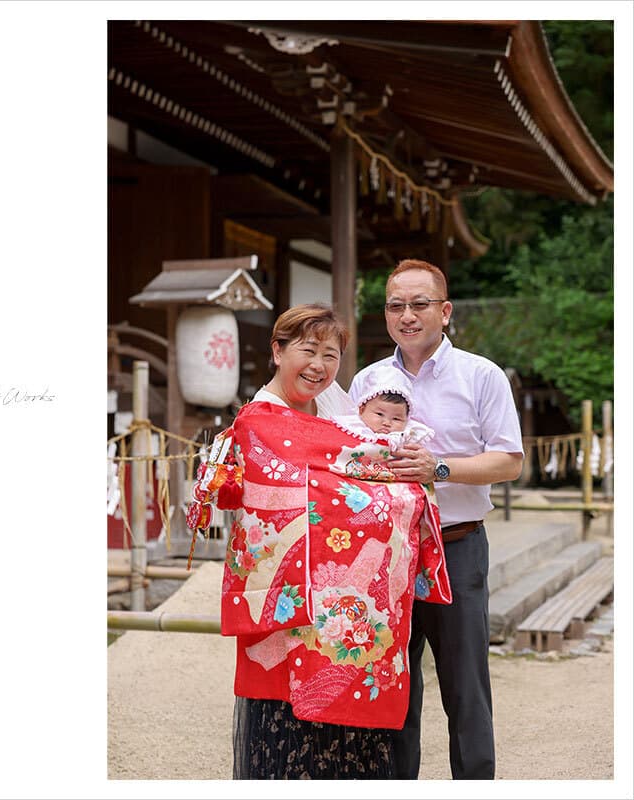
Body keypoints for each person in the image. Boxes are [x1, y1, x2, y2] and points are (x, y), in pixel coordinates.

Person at [185, 303, 452, 780]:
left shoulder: (339, 409)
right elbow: (301, 495)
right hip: (291, 607)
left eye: (331, 356)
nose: (319, 366)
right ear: (277, 351)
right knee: (288, 735)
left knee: (349, 734)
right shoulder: (260, 421)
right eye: (307, 351)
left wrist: (396, 490)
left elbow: (372, 468)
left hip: (347, 608)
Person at [349, 259, 524, 780]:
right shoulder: (367, 380)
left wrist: (438, 468)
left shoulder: (481, 375)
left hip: (456, 545)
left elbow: (509, 461)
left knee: (466, 688)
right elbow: (347, 458)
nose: (407, 315)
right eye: (395, 305)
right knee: (389, 685)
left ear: (444, 311)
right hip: (386, 552)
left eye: (419, 304)